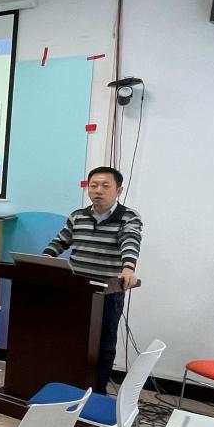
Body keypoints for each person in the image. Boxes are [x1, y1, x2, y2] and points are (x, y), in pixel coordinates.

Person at [43, 165, 142, 393]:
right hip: (76, 290)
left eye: (105, 186)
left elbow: (130, 240)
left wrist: (128, 267)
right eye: (94, 185)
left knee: (103, 345)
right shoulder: (78, 216)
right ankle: (69, 388)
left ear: (119, 190)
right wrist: (45, 259)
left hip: (107, 293)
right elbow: (60, 241)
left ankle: (97, 392)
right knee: (70, 340)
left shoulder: (128, 217)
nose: (98, 190)